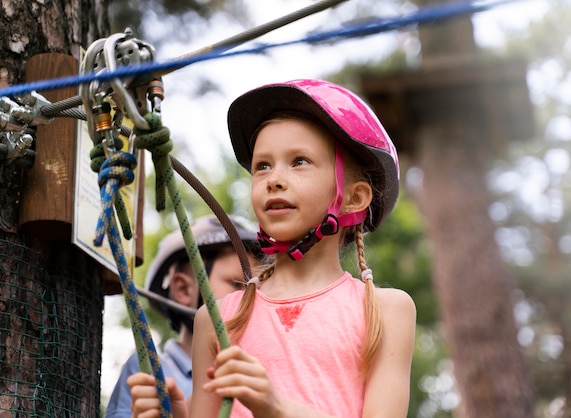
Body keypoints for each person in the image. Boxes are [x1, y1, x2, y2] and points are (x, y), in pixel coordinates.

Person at [128, 79, 416, 418]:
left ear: (354, 197)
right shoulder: (216, 318)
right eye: (262, 165)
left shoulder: (385, 310)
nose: (274, 178)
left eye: (299, 162)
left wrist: (276, 408)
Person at [105, 214, 260, 418]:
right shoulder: (150, 372)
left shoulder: (258, 372)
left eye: (260, 290)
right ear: (183, 289)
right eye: (238, 284)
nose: (253, 299)